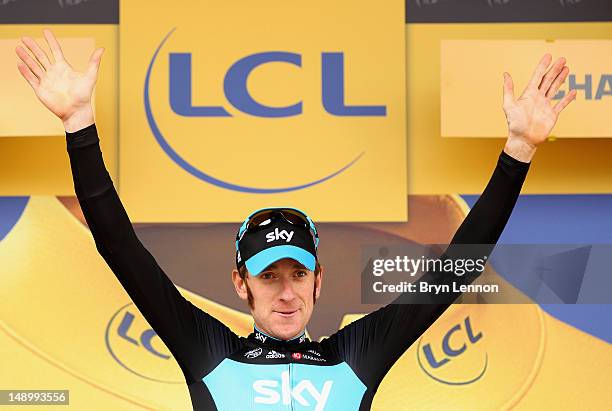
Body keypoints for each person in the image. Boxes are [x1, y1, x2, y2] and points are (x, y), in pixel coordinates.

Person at [16, 29, 576, 411]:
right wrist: (79, 124)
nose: (286, 293)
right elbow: (119, 246)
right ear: (242, 285)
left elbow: (456, 268)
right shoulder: (209, 351)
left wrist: (519, 149)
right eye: (268, 276)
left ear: (318, 280)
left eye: (297, 274)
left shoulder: (356, 355)